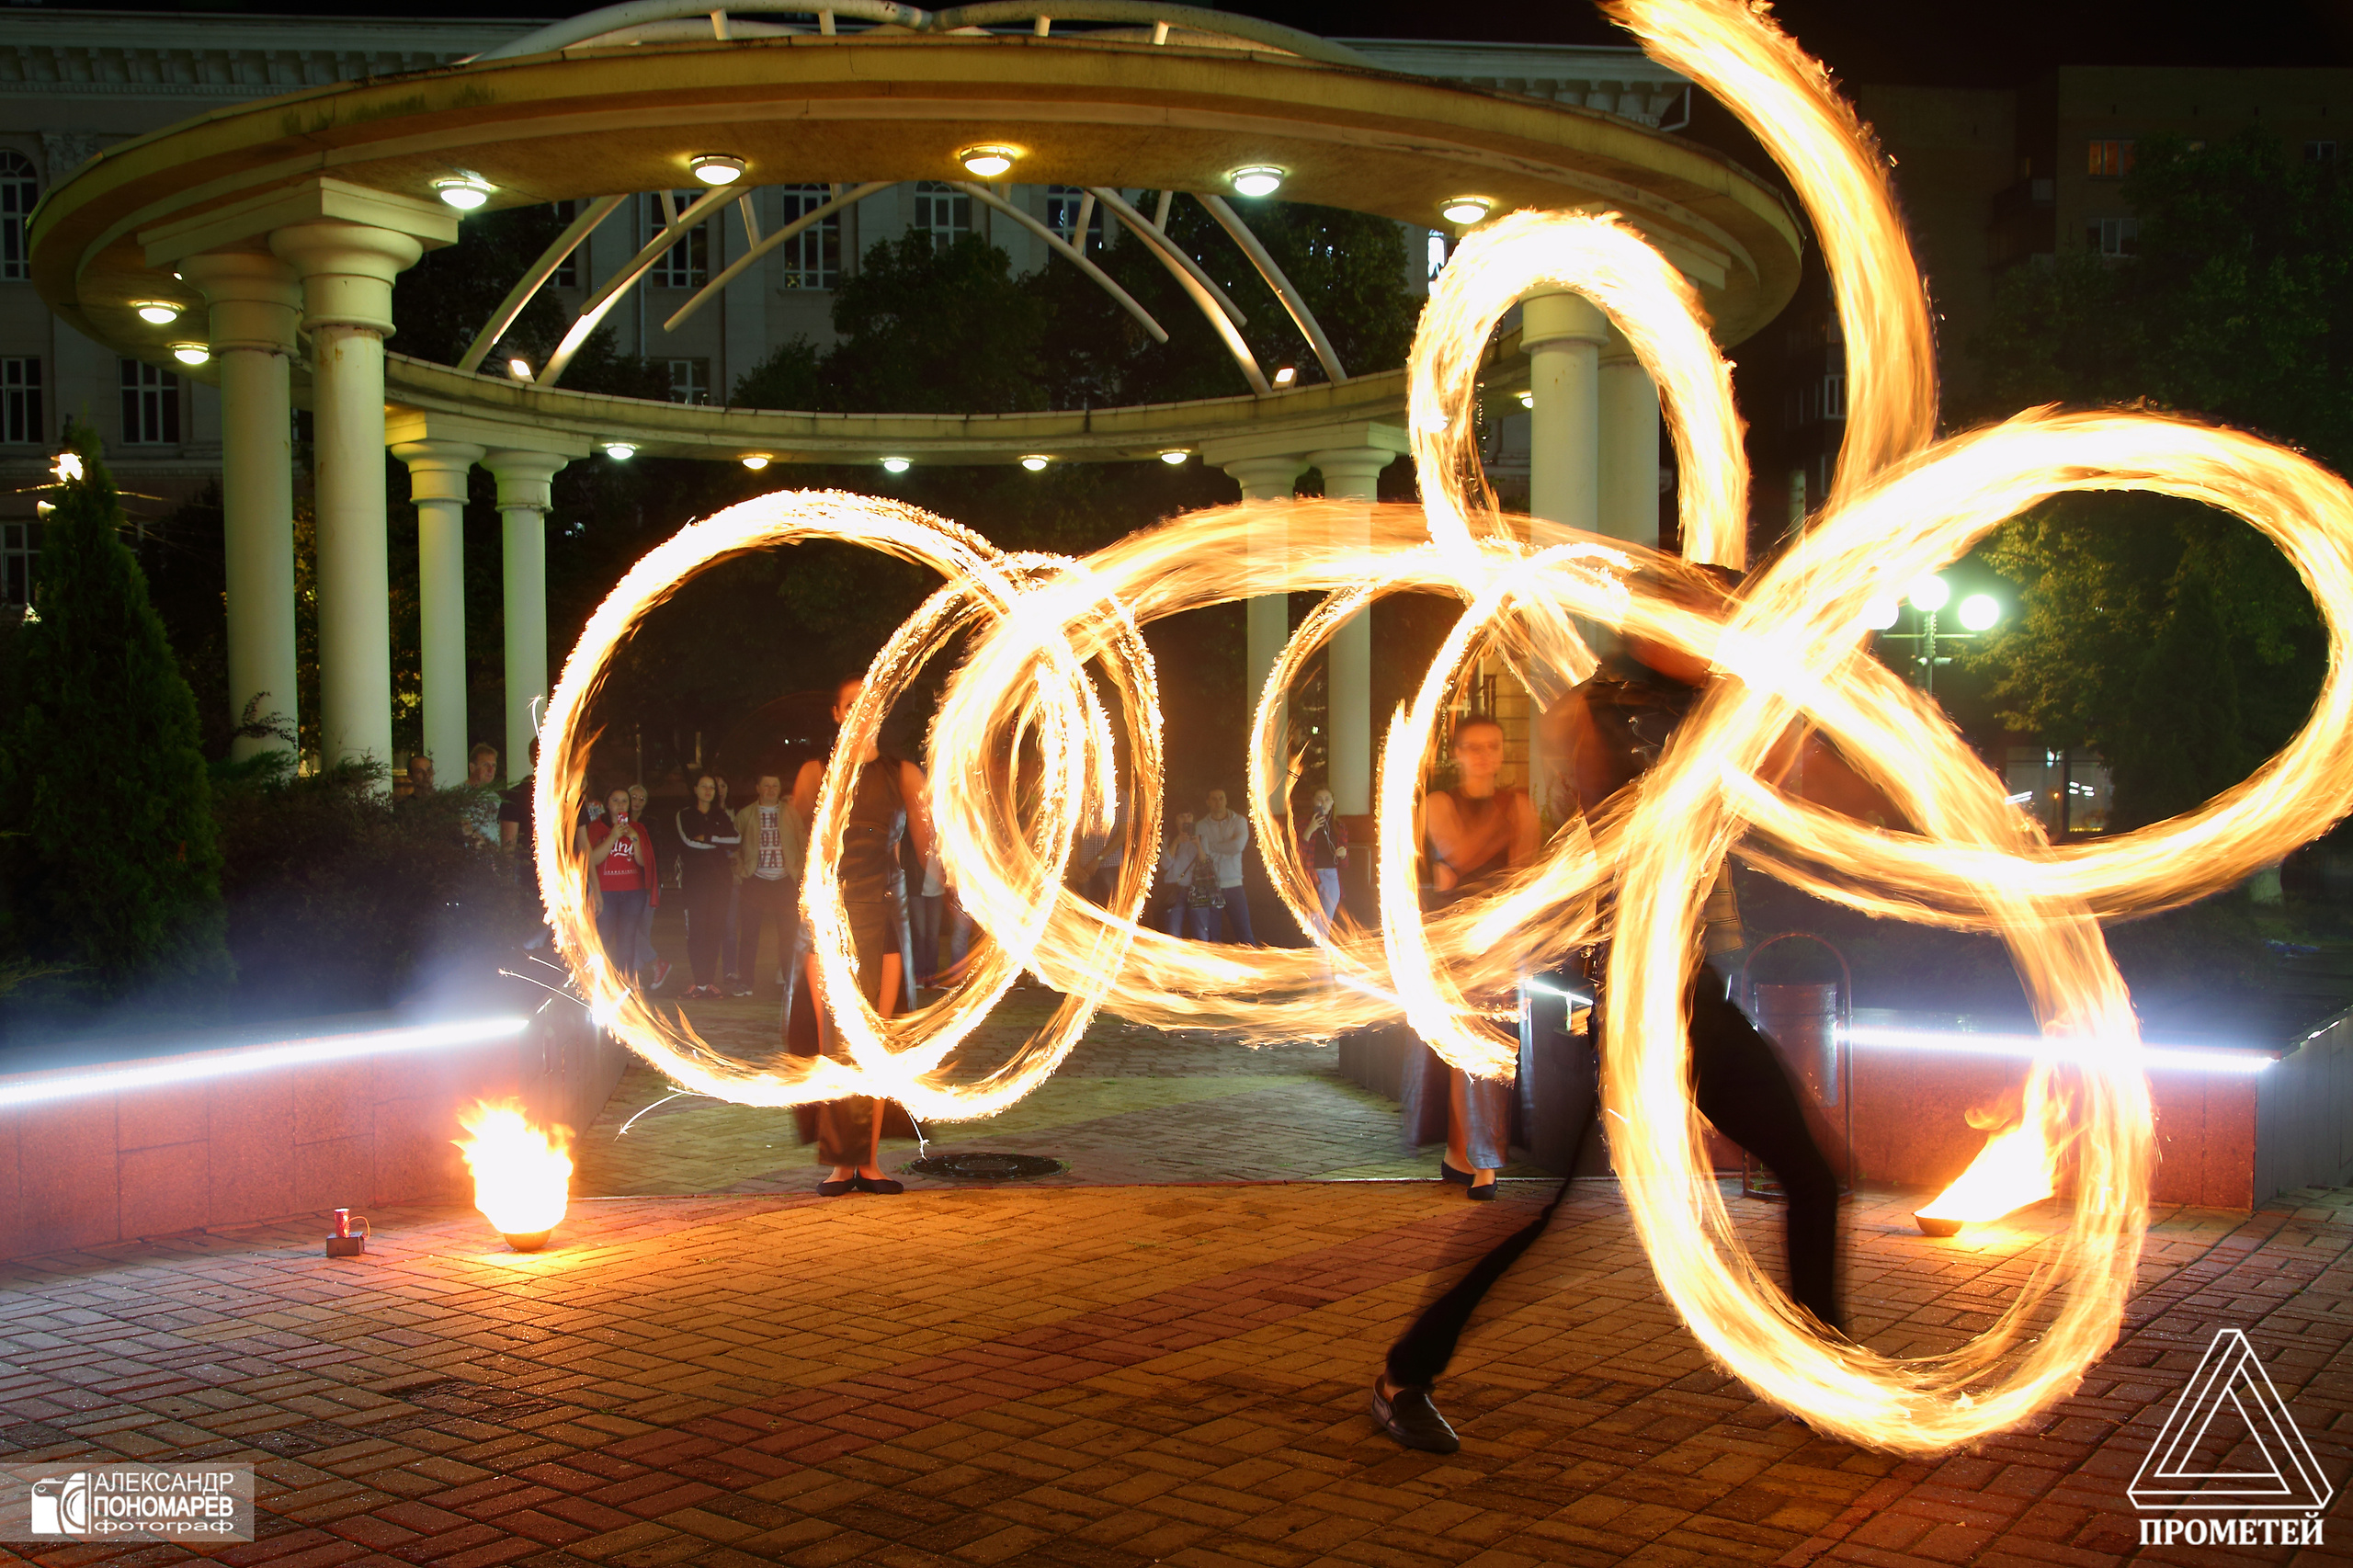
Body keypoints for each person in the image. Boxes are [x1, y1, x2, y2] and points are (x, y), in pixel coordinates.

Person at [1370, 580, 1853, 1458]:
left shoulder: (1710, 706)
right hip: (1638, 995)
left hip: (1689, 989)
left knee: (1813, 1175)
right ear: (1656, 624)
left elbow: (1803, 778)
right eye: (1705, 621)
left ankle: (1820, 1370)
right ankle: (1405, 1371)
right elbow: (1622, 801)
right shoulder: (1595, 712)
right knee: (1550, 1213)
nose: (1720, 634)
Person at [790, 676, 935, 1197]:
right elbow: (800, 845)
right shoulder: (816, 774)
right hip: (829, 920)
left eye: (870, 704)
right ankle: (837, 1164)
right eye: (852, 703)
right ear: (836, 713)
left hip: (884, 918)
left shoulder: (903, 775)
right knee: (834, 1039)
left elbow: (927, 853)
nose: (861, 711)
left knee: (876, 1041)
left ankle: (869, 1162)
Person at [1400, 714, 1540, 1205]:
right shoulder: (1440, 803)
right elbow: (1457, 851)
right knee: (1469, 1052)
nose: (1484, 756)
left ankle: (1464, 1156)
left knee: (1479, 1051)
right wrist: (1508, 819)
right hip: (1453, 944)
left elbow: (1523, 872)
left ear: (1502, 753)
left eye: (1492, 747)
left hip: (1499, 943)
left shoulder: (1517, 804)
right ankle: (1478, 1161)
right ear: (1456, 754)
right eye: (1473, 747)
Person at [578, 785, 657, 988]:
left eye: (624, 801)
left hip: (633, 892)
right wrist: (613, 836)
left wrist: (633, 837)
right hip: (606, 892)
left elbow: (642, 862)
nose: (620, 804)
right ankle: (601, 984)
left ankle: (626, 982)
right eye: (615, 800)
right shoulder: (596, 827)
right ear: (607, 804)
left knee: (627, 939)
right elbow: (592, 859)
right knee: (602, 937)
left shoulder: (638, 829)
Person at [732, 773, 802, 1001]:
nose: (771, 790)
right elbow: (734, 844)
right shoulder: (746, 814)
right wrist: (741, 870)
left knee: (788, 934)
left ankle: (790, 980)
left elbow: (804, 842)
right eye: (766, 785)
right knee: (750, 934)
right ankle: (745, 981)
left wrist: (800, 870)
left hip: (784, 880)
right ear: (758, 788)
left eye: (775, 785)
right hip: (755, 879)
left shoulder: (791, 813)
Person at [674, 773, 740, 998]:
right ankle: (698, 982)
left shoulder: (721, 815)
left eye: (712, 787)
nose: (709, 791)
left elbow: (736, 840)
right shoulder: (685, 815)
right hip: (695, 883)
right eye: (704, 786)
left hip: (720, 883)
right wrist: (717, 841)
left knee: (715, 930)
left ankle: (708, 983)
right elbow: (689, 841)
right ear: (695, 789)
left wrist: (709, 838)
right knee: (697, 931)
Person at [1194, 788, 1254, 944]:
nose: (1218, 802)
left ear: (1226, 800)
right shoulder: (1201, 825)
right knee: (1214, 939)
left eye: (1221, 798)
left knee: (1245, 935)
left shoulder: (1239, 821)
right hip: (1211, 885)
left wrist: (1212, 846)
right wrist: (1225, 847)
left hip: (1234, 884)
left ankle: (1251, 965)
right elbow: (1204, 854)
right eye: (1214, 799)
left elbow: (1237, 847)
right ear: (1208, 802)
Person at [1295, 787, 1349, 937]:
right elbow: (1297, 853)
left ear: (1332, 802)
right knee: (1314, 923)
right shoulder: (1303, 823)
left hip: (1331, 877)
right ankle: (1319, 956)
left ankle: (1320, 958)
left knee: (1325, 924)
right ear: (1313, 801)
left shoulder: (1339, 827)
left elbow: (1345, 865)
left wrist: (1343, 855)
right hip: (1311, 878)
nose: (1323, 803)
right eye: (1319, 799)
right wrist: (1309, 830)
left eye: (1327, 799)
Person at [1155, 812, 1220, 938]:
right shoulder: (1169, 839)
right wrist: (1176, 842)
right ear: (1176, 820)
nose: (1186, 820)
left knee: (1201, 932)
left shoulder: (1201, 838)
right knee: (1172, 932)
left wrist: (1198, 845)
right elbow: (1165, 864)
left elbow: (1205, 864)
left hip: (1197, 890)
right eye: (1182, 816)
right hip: (1175, 890)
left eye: (1189, 816)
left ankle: (1202, 955)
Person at [461, 743, 501, 849]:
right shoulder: (460, 795)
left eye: (493, 765)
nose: (490, 770)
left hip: (496, 859)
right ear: (472, 767)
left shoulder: (495, 797)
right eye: (485, 765)